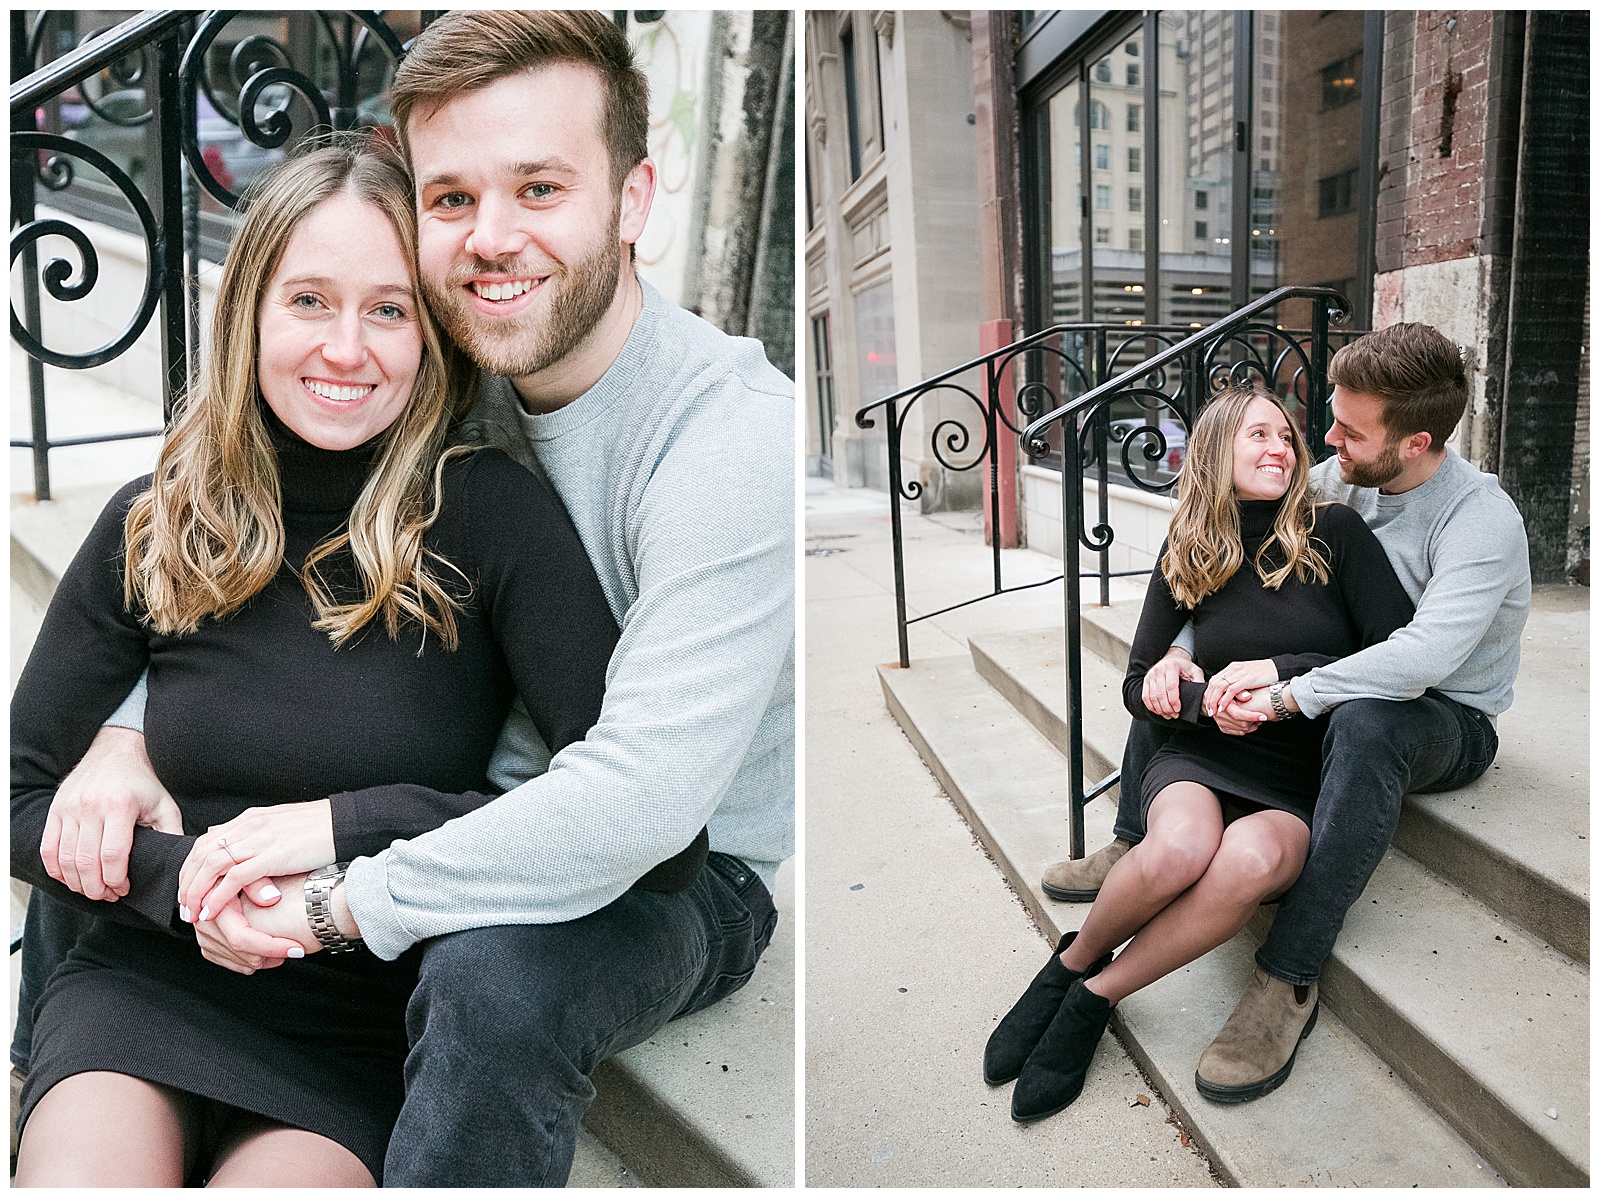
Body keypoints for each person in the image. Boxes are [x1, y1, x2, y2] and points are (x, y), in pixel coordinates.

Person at [22, 10, 795, 1187]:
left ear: (633, 200)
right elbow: (236, 582)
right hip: (186, 962)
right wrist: (123, 736)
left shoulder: (698, 447)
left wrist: (336, 878)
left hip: (634, 864)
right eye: (452, 199)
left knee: (492, 986)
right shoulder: (476, 358)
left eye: (539, 186)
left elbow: (647, 819)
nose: (491, 239)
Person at [1037, 322, 1530, 1102]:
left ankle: (1288, 977)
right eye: (1330, 416)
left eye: (1348, 428)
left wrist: (1279, 686)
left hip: (1440, 716)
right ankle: (1134, 840)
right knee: (1190, 671)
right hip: (1330, 684)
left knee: (1367, 716)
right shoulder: (1341, 479)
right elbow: (1228, 569)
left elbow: (1419, 659)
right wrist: (1179, 649)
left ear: (1414, 442)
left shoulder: (1479, 518)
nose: (1323, 438)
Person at [985, 386, 1416, 1123]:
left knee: (1246, 863)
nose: (1281, 447)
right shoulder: (1189, 544)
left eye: (1287, 435)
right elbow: (1137, 683)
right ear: (1218, 448)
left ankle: (1093, 999)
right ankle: (1069, 964)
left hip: (1303, 773)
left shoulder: (1335, 531)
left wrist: (1283, 676)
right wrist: (1198, 700)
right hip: (1204, 757)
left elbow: (1396, 656)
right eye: (1259, 435)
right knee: (1181, 847)